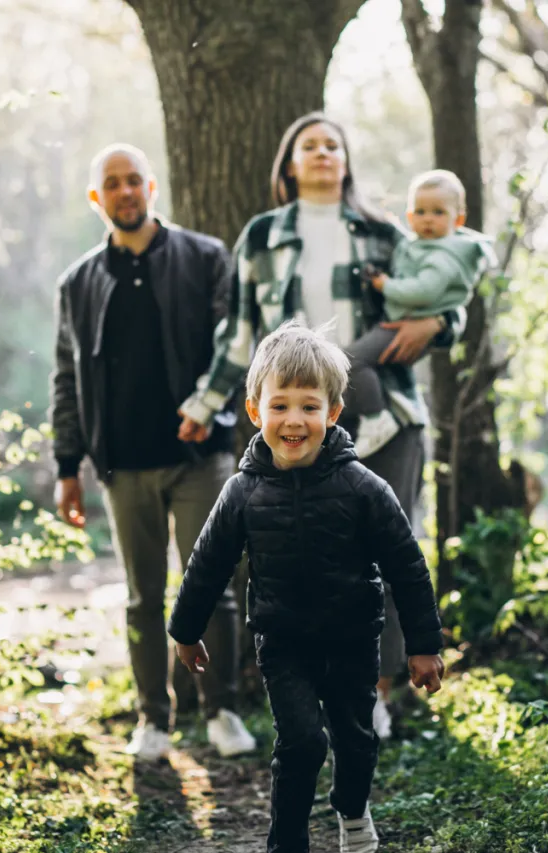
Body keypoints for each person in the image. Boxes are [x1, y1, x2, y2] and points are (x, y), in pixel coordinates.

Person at [177, 112, 458, 738]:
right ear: (289, 164)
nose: (324, 153)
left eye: (334, 144)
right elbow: (240, 336)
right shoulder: (261, 236)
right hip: (298, 413)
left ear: (347, 160)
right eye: (310, 145)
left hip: (389, 411)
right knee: (302, 548)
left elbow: (445, 287)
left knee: (389, 543)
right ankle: (302, 690)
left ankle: (374, 692)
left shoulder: (384, 233)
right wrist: (204, 405)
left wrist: (438, 326)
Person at [168, 321, 446, 853]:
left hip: (352, 639)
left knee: (356, 740)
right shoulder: (241, 492)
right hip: (283, 641)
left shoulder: (363, 487)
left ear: (333, 413)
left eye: (309, 407)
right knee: (300, 741)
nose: (294, 420)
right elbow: (207, 564)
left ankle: (351, 808)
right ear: (255, 412)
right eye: (280, 406)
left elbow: (407, 567)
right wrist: (186, 629)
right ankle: (286, 841)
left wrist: (424, 644)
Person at [48, 143, 256, 761]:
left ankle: (220, 712)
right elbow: (66, 376)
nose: (124, 191)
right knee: (142, 596)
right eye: (111, 183)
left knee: (213, 586)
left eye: (133, 180)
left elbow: (234, 342)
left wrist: (209, 409)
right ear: (97, 198)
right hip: (121, 465)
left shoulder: (204, 257)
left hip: (201, 457)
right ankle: (153, 721)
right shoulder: (78, 282)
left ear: (152, 186)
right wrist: (67, 466)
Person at [342, 169, 493, 458]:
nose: (427, 219)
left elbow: (422, 291)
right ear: (409, 217)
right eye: (420, 211)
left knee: (350, 360)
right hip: (398, 322)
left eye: (438, 212)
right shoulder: (418, 245)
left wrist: (385, 285)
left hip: (404, 325)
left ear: (458, 219)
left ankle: (376, 419)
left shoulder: (444, 256)